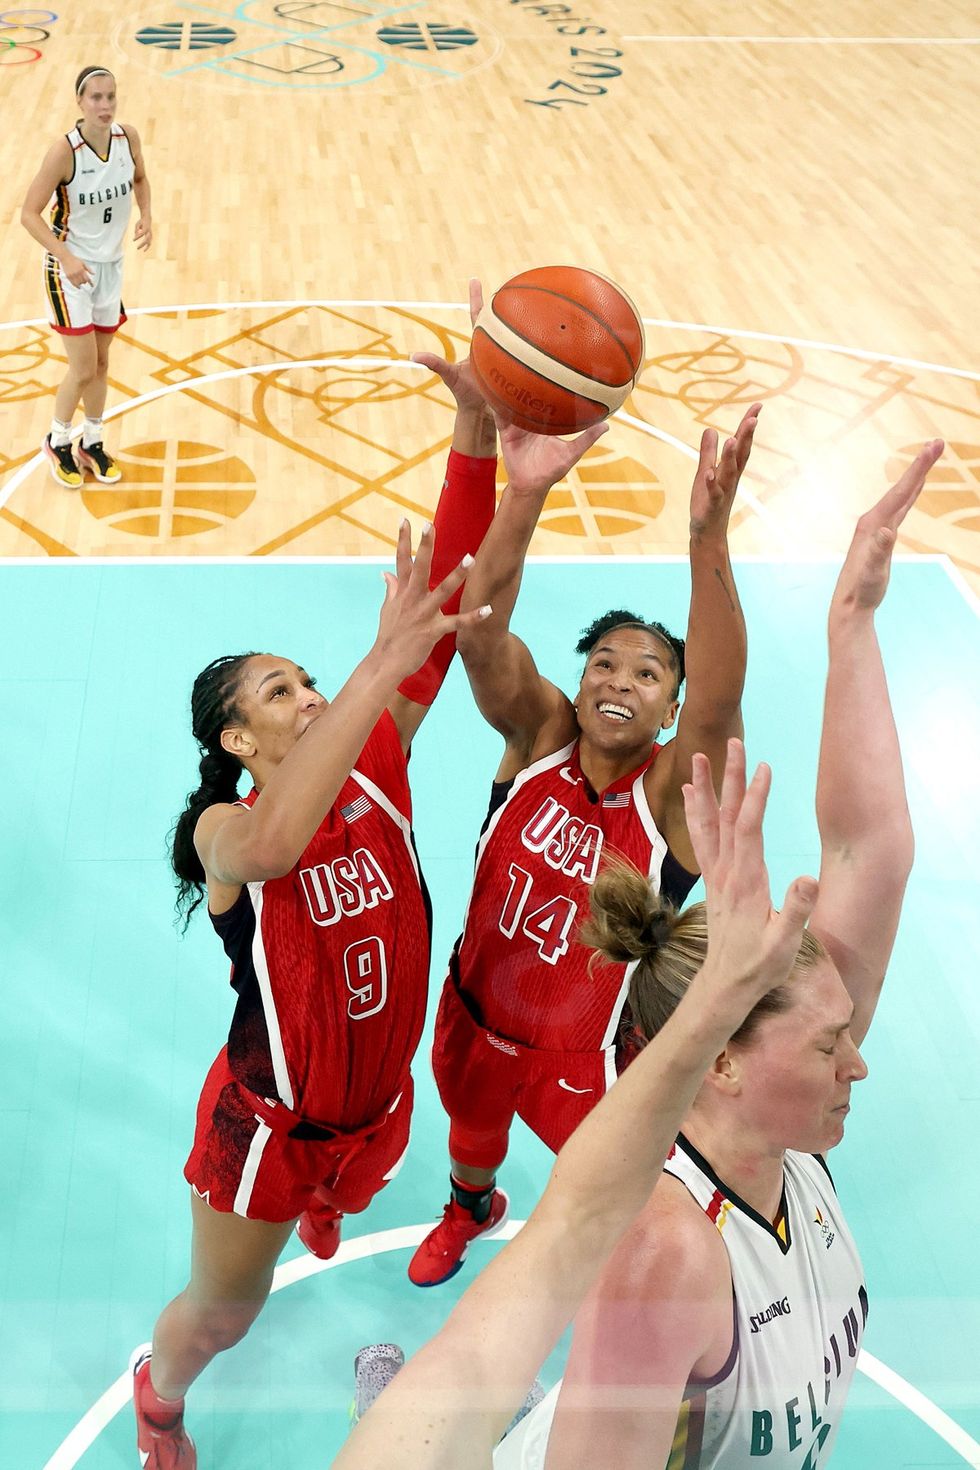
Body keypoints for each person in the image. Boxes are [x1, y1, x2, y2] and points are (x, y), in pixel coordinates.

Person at [127, 388, 600, 1469]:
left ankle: (335, 1201)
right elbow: (278, 847)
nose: (307, 696)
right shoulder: (222, 831)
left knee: (358, 1180)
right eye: (279, 693)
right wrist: (381, 665)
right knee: (221, 1315)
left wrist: (484, 445)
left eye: (309, 681)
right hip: (270, 1126)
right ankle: (159, 1396)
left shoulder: (373, 761)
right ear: (237, 739)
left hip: (378, 1109)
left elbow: (453, 599)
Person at [490, 439, 944, 1469]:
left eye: (840, 1037)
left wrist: (852, 622)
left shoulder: (784, 1134)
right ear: (723, 1061)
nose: (858, 1062)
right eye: (830, 1045)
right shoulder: (664, 1253)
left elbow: (870, 851)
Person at [334, 736, 822, 1470]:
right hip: (487, 1025)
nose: (853, 1067)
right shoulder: (544, 751)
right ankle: (460, 1361)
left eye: (650, 677)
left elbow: (568, 1234)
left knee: (553, 1267)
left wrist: (721, 1000)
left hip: (571, 1060)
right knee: (549, 1216)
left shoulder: (640, 797)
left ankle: (437, 1402)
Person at [409, 310, 761, 1286]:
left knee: (606, 1213)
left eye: (647, 674)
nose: (618, 680)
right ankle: (470, 1205)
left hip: (593, 1053)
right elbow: (479, 632)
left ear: (669, 708)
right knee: (470, 1136)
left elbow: (721, 695)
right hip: (475, 1008)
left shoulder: (672, 795)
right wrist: (522, 490)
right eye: (603, 661)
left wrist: (707, 538)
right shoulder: (538, 737)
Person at [20, 66, 152, 488]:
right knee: (82, 368)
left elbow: (140, 179)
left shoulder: (128, 138)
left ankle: (91, 442)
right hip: (70, 272)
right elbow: (28, 214)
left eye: (111, 96)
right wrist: (66, 256)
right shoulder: (65, 152)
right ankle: (57, 440)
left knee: (101, 362)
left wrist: (147, 215)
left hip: (110, 267)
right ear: (80, 101)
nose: (105, 105)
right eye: (96, 97)